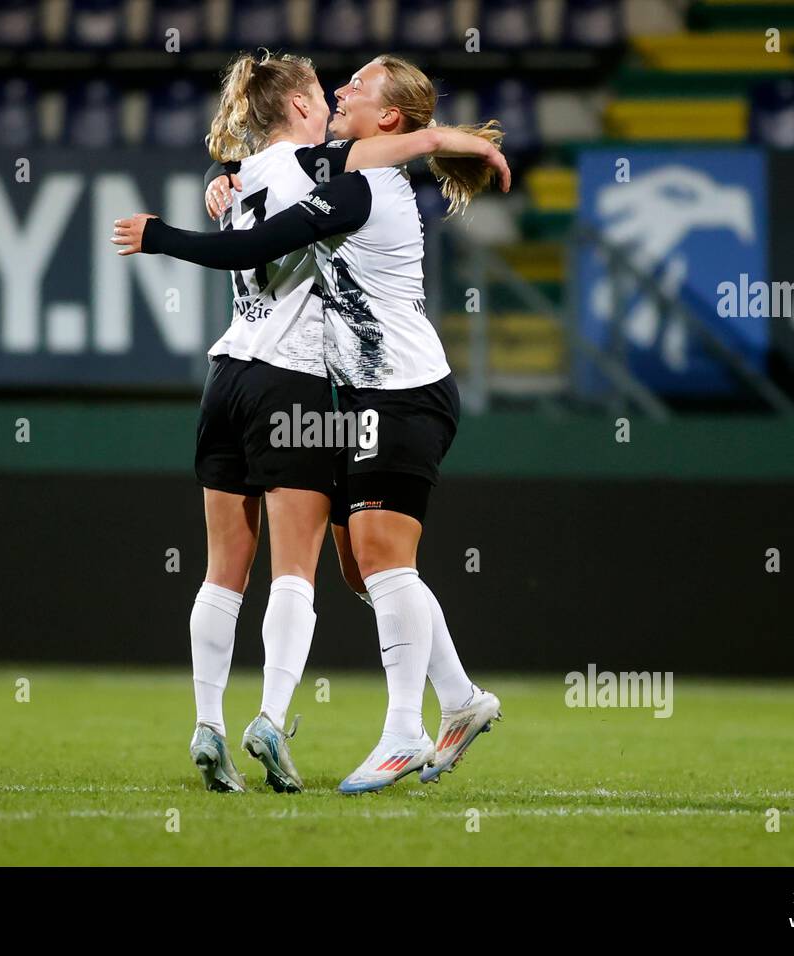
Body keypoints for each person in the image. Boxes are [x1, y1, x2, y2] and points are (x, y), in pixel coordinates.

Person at [157, 50, 510, 794]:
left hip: (404, 394)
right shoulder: (338, 175)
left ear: (386, 116)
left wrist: (176, 228)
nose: (341, 90)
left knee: (382, 559)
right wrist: (228, 181)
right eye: (332, 85)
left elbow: (260, 234)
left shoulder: (362, 189)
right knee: (359, 566)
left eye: (355, 86)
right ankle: (461, 699)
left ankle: (403, 731)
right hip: (365, 397)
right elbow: (267, 169)